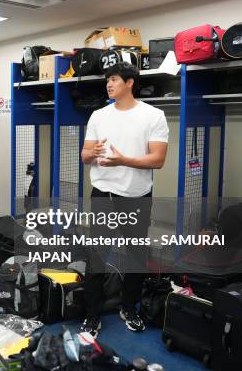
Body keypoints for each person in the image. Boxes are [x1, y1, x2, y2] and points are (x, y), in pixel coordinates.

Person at [79, 62, 169, 338]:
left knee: (136, 259)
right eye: (107, 80)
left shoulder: (153, 116)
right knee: (96, 258)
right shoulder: (98, 115)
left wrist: (124, 160)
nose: (109, 84)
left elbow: (158, 159)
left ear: (130, 83)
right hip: (103, 196)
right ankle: (92, 316)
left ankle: (129, 308)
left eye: (114, 79)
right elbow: (84, 156)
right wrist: (92, 152)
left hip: (137, 197)